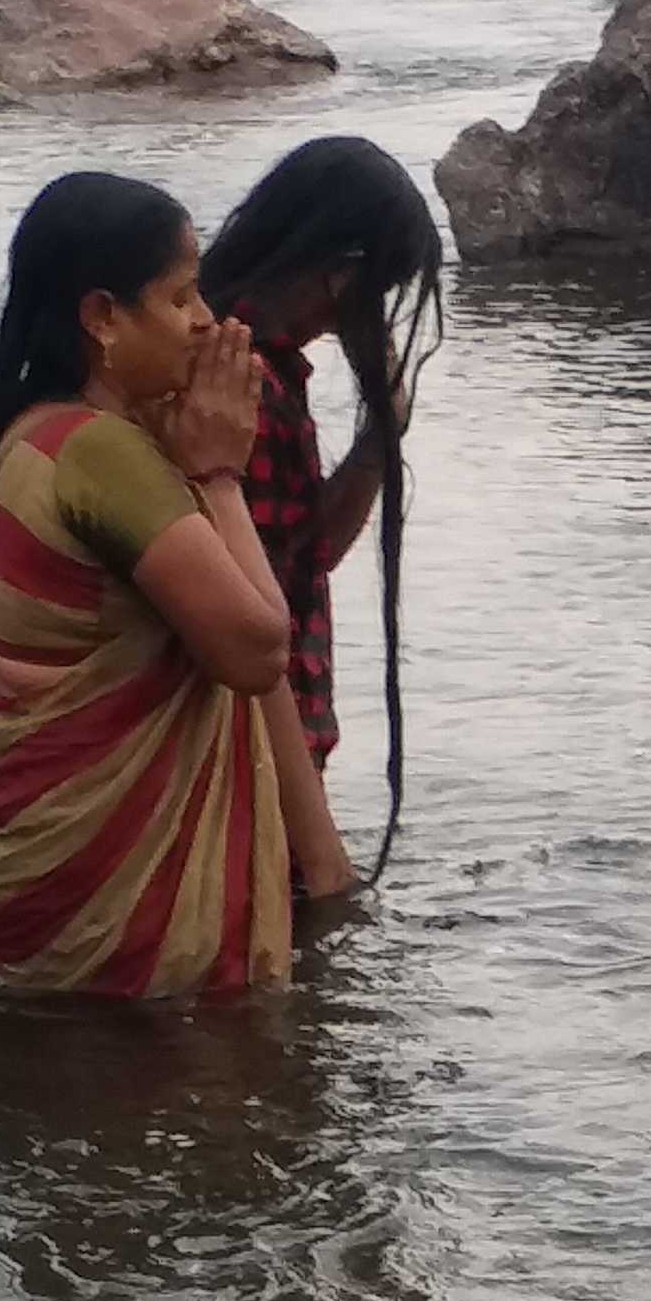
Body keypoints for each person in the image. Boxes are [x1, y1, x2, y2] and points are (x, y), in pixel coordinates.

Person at [0, 170, 360, 998]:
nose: (207, 320)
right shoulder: (103, 454)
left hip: (29, 893)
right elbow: (254, 650)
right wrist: (217, 476)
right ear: (102, 318)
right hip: (106, 921)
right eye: (180, 298)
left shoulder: (31, 434)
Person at [196, 137, 441, 846]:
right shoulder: (235, 379)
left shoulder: (266, 368)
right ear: (336, 269)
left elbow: (303, 556)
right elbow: (256, 606)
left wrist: (378, 440)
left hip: (277, 758)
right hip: (249, 765)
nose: (348, 314)